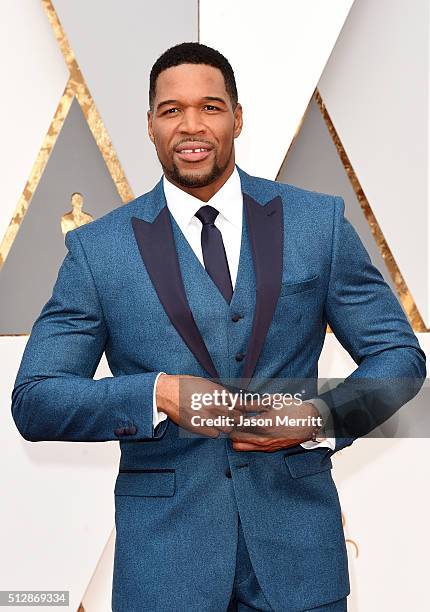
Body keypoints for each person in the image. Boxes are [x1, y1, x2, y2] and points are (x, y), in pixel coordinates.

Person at [11, 42, 426, 612]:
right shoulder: (97, 251)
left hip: (300, 563)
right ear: (151, 126)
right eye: (171, 109)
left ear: (237, 116)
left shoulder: (316, 223)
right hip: (165, 568)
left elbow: (399, 357)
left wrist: (316, 414)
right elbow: (36, 399)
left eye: (209, 107)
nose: (191, 125)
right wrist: (156, 393)